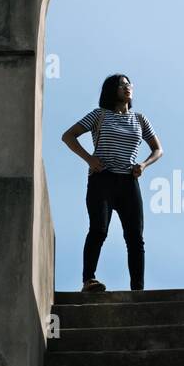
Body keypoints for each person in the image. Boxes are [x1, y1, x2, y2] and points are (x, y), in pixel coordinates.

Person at [62, 74, 163, 292]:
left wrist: (144, 165)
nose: (127, 88)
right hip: (102, 180)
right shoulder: (99, 115)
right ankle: (89, 280)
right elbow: (68, 136)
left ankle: (138, 289)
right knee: (99, 229)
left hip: (128, 181)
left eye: (129, 84)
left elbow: (158, 149)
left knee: (135, 237)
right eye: (122, 85)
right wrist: (89, 159)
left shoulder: (140, 119)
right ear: (111, 90)